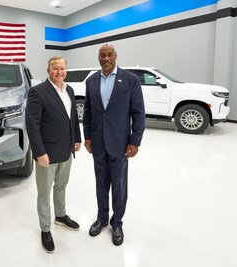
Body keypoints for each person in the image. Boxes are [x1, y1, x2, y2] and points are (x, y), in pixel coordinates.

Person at [83, 44, 145, 246]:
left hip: (120, 143)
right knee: (100, 183)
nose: (106, 58)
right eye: (102, 55)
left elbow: (138, 113)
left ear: (116, 56)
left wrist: (135, 141)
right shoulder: (91, 81)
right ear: (98, 57)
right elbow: (88, 112)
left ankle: (117, 222)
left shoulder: (130, 80)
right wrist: (88, 136)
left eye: (110, 55)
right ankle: (101, 218)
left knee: (118, 186)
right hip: (98, 142)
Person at [25, 56, 81, 254]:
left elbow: (72, 116)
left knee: (61, 185)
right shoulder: (38, 92)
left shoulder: (70, 90)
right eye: (55, 68)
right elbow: (32, 125)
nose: (59, 72)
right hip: (47, 154)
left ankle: (61, 216)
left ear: (66, 70)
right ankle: (45, 229)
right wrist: (39, 152)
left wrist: (77, 138)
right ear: (48, 70)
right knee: (44, 193)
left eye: (62, 68)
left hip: (66, 150)